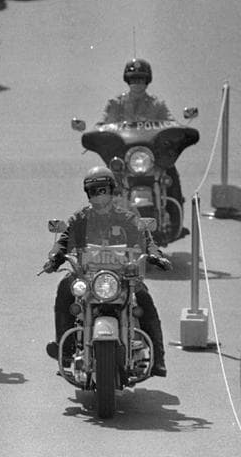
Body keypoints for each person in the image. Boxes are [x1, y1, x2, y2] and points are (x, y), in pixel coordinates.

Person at [41, 166, 172, 377]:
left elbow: (145, 239)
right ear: (88, 194)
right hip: (88, 275)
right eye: (94, 191)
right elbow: (64, 240)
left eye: (103, 190)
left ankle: (158, 357)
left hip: (122, 276)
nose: (99, 195)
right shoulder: (80, 219)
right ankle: (64, 349)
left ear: (112, 190)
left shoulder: (126, 218)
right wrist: (54, 257)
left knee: (144, 298)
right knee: (65, 287)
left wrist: (157, 255)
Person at [100, 58, 183, 209]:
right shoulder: (116, 103)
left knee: (170, 172)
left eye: (141, 79)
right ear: (127, 81)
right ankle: (105, 216)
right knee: (105, 176)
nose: (137, 83)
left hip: (152, 155)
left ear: (147, 81)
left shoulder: (157, 104)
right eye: (133, 79)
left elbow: (171, 122)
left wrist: (178, 131)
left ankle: (175, 216)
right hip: (124, 155)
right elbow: (103, 124)